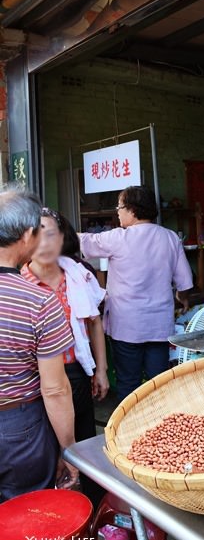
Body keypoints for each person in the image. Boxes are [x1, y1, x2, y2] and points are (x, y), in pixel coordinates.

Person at [0, 187, 78, 540]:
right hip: (20, 429)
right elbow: (55, 388)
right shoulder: (38, 301)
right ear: (27, 236)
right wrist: (68, 450)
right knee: (21, 522)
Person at [21, 208, 109, 511]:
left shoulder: (77, 274)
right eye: (37, 234)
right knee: (46, 452)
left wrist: (101, 370)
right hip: (34, 380)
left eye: (51, 233)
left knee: (85, 446)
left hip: (75, 372)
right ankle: (52, 518)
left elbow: (94, 323)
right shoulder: (19, 282)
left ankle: (97, 513)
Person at [79, 185, 193, 401]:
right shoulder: (170, 238)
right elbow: (184, 283)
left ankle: (127, 432)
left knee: (128, 383)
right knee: (158, 384)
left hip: (126, 327)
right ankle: (160, 428)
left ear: (132, 210)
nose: (117, 212)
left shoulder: (118, 238)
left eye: (120, 207)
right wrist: (182, 299)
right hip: (159, 327)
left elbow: (82, 241)